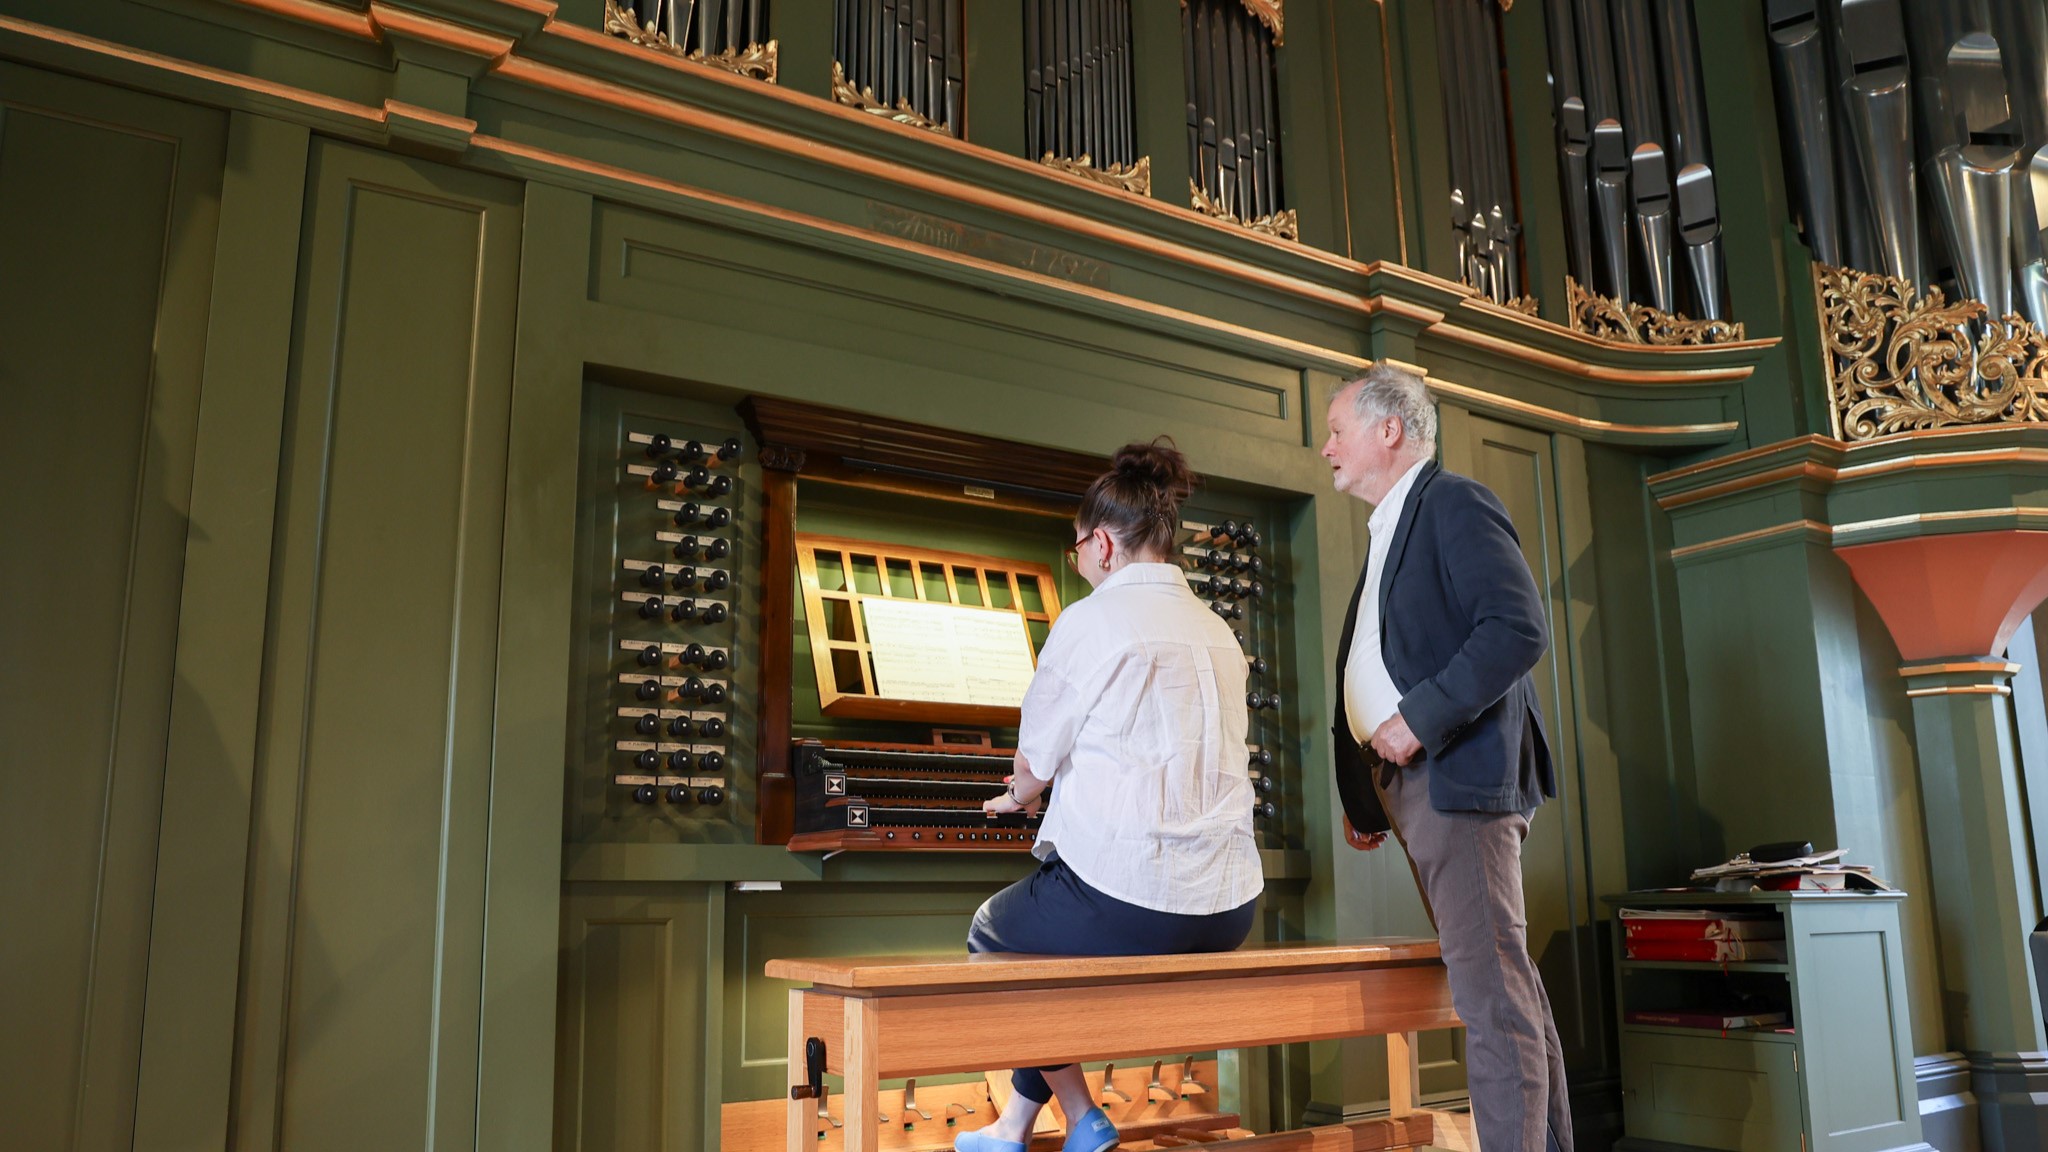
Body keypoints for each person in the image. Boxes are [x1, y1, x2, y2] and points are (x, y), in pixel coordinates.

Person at [957, 439, 1263, 1152]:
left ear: (1100, 543)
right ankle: (1012, 1127)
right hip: (1230, 904)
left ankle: (1084, 1117)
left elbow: (1034, 759)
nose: (1079, 563)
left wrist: (1021, 797)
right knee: (1046, 948)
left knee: (995, 936)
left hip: (1135, 899)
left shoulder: (1089, 620)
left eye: (1074, 551)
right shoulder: (1218, 630)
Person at [1321, 363, 1571, 1152]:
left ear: (1389, 430)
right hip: (1413, 786)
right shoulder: (1393, 524)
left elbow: (1516, 628)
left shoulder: (1452, 502)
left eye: (1336, 430)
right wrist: (1369, 795)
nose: (1325, 447)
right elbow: (1378, 659)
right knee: (1508, 988)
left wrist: (1417, 724)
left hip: (1456, 778)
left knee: (1492, 1000)